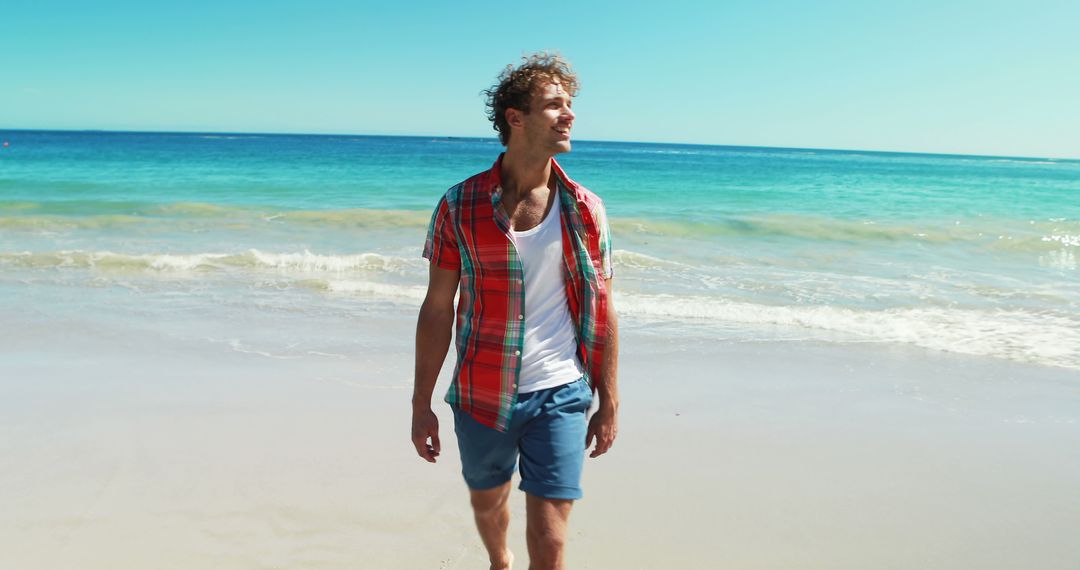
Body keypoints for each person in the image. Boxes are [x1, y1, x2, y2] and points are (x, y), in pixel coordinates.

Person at [411, 52, 619, 570]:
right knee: (488, 499)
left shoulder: (586, 209)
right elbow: (438, 309)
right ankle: (499, 561)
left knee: (550, 542)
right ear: (515, 117)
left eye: (570, 105)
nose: (569, 115)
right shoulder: (458, 206)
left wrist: (609, 401)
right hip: (482, 391)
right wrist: (421, 403)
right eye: (554, 105)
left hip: (562, 391)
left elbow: (605, 308)